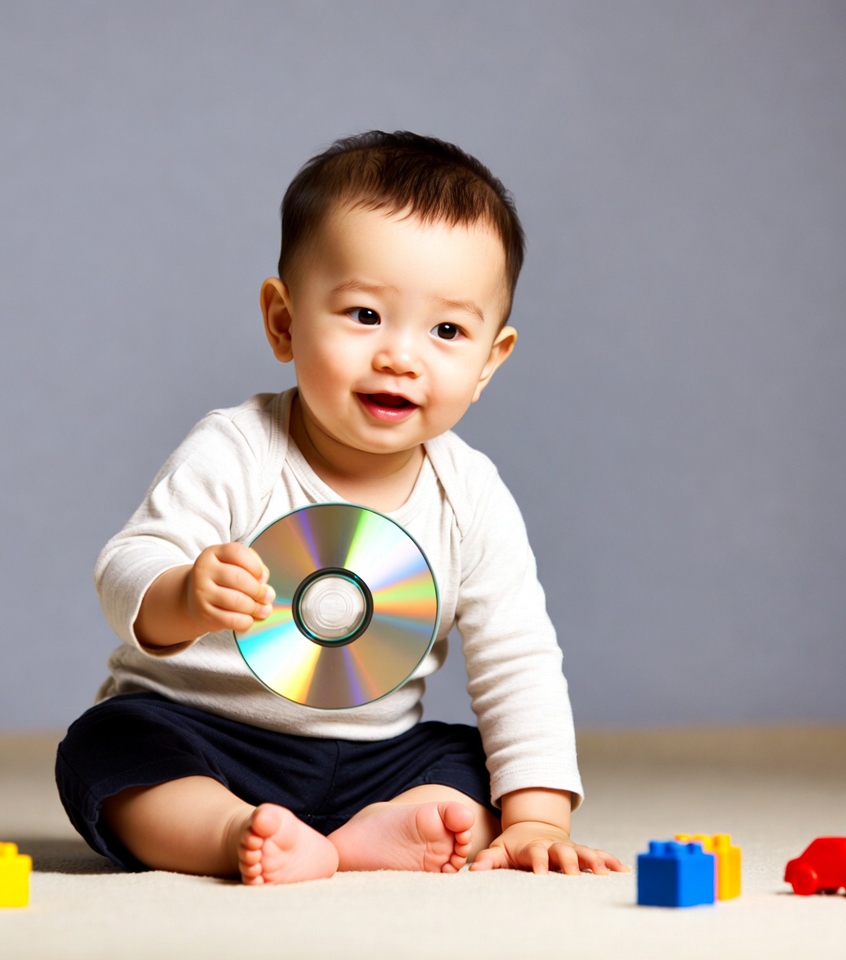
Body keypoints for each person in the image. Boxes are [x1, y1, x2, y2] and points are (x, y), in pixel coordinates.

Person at [55, 131, 628, 885]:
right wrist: (184, 592)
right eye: (364, 315)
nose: (400, 355)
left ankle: (360, 838)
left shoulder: (471, 496)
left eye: (448, 331)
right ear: (284, 322)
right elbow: (126, 566)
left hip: (373, 757)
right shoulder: (238, 448)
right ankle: (233, 832)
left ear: (491, 359)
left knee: (470, 763)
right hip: (207, 736)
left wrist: (536, 819)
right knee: (105, 749)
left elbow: (517, 660)